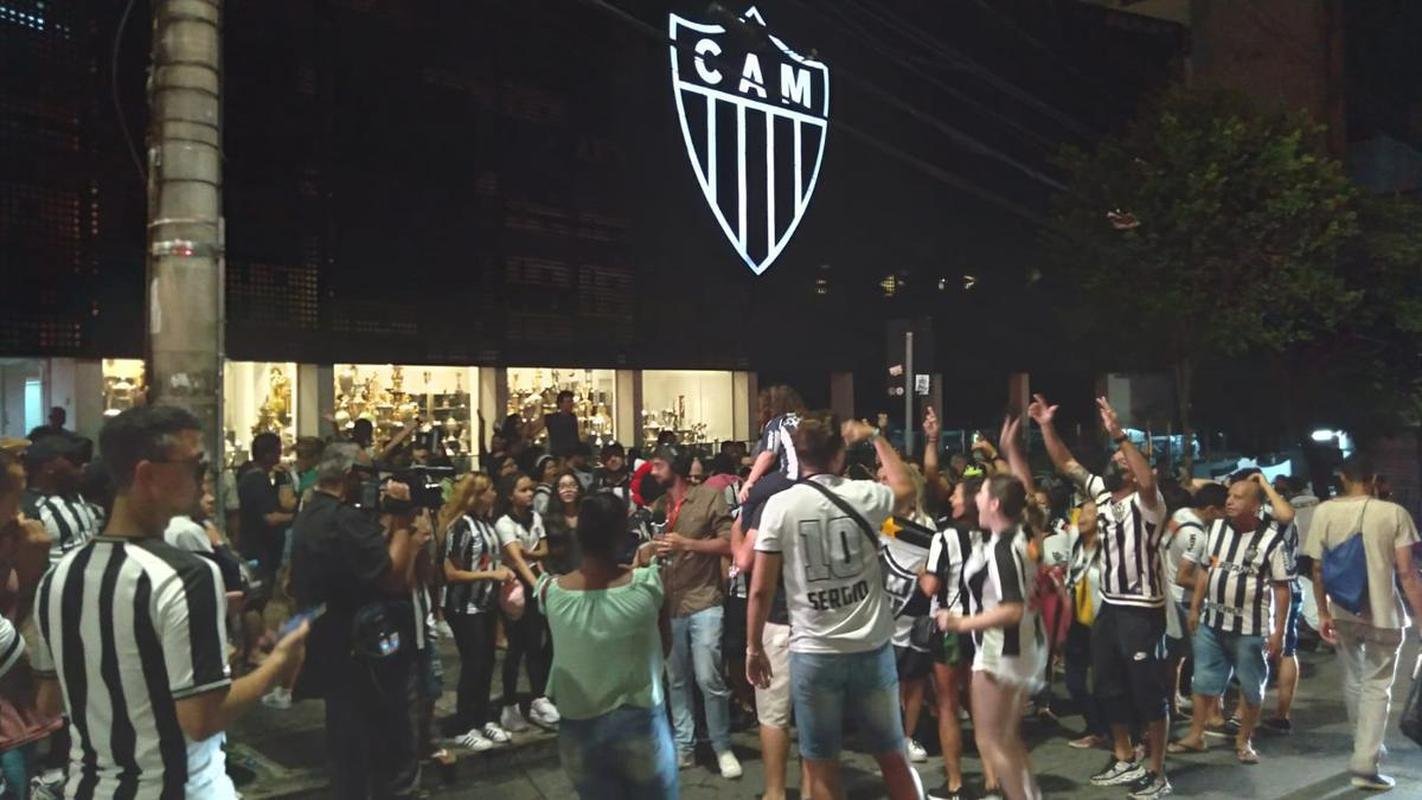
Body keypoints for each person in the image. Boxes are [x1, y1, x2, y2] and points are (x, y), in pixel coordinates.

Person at [31, 406, 308, 799]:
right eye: (196, 466)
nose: (204, 479)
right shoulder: (186, 574)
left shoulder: (58, 576)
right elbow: (202, 718)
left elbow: (49, 702)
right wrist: (280, 663)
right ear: (148, 475)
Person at [746, 412, 921, 800]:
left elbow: (760, 589)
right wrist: (875, 435)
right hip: (870, 648)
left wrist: (754, 646)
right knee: (893, 757)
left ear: (798, 454)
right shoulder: (863, 494)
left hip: (814, 650)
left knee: (822, 766)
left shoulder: (780, 506)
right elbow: (906, 488)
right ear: (839, 455)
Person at [1029, 394, 1170, 799]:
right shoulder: (1104, 496)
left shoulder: (1149, 503)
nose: (1117, 460)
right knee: (1107, 685)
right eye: (1117, 456)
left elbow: (1147, 481)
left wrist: (1122, 436)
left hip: (1141, 608)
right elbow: (1066, 464)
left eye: (1125, 460)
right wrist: (1046, 426)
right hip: (1110, 604)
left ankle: (1157, 770)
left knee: (1147, 692)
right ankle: (1124, 756)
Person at [288, 442, 427, 799]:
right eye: (367, 474)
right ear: (350, 475)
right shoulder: (344, 519)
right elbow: (391, 576)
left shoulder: (309, 515)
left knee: (345, 742)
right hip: (363, 653)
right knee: (377, 742)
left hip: (329, 644)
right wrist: (401, 522)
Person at [538, 492, 678, 799]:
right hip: (640, 720)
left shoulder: (551, 592)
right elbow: (665, 645)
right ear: (620, 534)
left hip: (579, 725)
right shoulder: (647, 585)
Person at [936, 416, 1046, 800]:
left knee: (993, 741)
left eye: (981, 492)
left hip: (1000, 652)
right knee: (1008, 739)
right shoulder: (1021, 532)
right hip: (1022, 648)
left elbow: (1011, 609)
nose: (975, 497)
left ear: (995, 504)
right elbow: (1025, 492)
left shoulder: (1001, 549)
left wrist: (959, 622)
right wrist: (1009, 451)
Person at [1304, 454, 1422, 791]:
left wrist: (1323, 611)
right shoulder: (1394, 513)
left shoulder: (1323, 511)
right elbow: (1407, 573)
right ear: (1374, 478)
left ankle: (1364, 745)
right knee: (1377, 685)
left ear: (1342, 477)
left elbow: (1317, 568)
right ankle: (1366, 762)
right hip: (1384, 613)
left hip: (1342, 610)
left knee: (1353, 680)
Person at [1169, 476, 1293, 764]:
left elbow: (1282, 588)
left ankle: (1244, 740)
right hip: (1212, 622)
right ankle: (1196, 735)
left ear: (1255, 505)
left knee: (1250, 686)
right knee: (1203, 682)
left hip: (1250, 628)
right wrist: (1196, 607)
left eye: (1238, 497)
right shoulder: (1215, 529)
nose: (1230, 501)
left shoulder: (1272, 541)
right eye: (1230, 496)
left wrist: (1279, 631)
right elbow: (1205, 570)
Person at [640, 444, 741, 778]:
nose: (653, 471)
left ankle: (722, 746)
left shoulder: (709, 498)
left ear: (675, 466)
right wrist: (649, 551)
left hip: (704, 599)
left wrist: (688, 544)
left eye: (658, 465)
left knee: (709, 677)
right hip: (668, 604)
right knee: (677, 680)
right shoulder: (659, 506)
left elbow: (729, 543)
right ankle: (685, 745)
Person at [730, 473, 808, 800]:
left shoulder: (770, 505)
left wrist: (737, 526)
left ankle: (775, 793)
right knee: (812, 716)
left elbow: (746, 562)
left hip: (778, 620)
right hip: (816, 622)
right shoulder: (818, 501)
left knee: (774, 717)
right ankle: (811, 791)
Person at [922, 476, 996, 800]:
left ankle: (955, 784)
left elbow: (930, 587)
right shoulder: (991, 535)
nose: (951, 499)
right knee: (980, 705)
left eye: (956, 495)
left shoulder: (945, 536)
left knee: (948, 705)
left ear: (967, 502)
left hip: (950, 628)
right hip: (983, 628)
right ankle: (993, 781)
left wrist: (920, 572)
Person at [0, 451, 60, 800]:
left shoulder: (12, 541)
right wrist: (33, 574)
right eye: (16, 495)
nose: (21, 511)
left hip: (18, 721)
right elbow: (17, 649)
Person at [440, 473, 515, 752]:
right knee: (473, 663)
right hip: (464, 605)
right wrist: (490, 575)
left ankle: (482, 717)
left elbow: (487, 559)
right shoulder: (460, 526)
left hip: (485, 603)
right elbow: (451, 572)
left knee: (486, 662)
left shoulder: (486, 524)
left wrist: (498, 572)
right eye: (490, 490)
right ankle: (464, 725)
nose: (494, 494)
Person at [493, 472, 560, 731]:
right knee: (515, 648)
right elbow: (516, 559)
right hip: (515, 587)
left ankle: (538, 698)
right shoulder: (504, 523)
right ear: (510, 495)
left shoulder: (535, 517)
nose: (530, 494)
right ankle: (509, 705)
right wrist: (538, 585)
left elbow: (542, 550)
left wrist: (533, 560)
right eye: (523, 490)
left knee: (535, 643)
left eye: (531, 489)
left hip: (533, 581)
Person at [1162, 483, 1227, 715]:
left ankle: (1172, 704)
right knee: (1203, 658)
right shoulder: (1197, 536)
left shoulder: (1182, 513)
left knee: (1173, 658)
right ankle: (1205, 710)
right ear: (1211, 510)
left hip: (1168, 595)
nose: (1225, 517)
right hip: (1183, 601)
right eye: (1223, 512)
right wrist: (1216, 588)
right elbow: (1183, 577)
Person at [20, 433, 102, 567]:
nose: (81, 464)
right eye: (71, 459)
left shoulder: (75, 494)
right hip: (57, 577)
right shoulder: (29, 509)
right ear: (48, 467)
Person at [1063, 500, 1107, 750]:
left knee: (1105, 682)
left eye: (1090, 513)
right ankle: (1097, 727)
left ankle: (1113, 731)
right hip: (1077, 622)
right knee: (1074, 682)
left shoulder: (1109, 548)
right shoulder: (1076, 544)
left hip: (1102, 622)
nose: (1082, 517)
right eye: (1081, 512)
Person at [739, 385, 806, 504]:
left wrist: (750, 481)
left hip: (790, 475)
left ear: (769, 408)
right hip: (812, 475)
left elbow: (769, 454)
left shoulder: (777, 423)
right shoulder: (806, 420)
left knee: (750, 498)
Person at [543, 471, 584, 576]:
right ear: (556, 491)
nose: (568, 489)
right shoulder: (549, 520)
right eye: (563, 486)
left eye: (572, 485)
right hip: (561, 575)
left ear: (579, 490)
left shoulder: (588, 516)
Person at [526, 390, 581, 458]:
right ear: (560, 404)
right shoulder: (551, 418)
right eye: (568, 402)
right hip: (557, 454)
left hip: (572, 454)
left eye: (571, 401)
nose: (571, 404)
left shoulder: (573, 417)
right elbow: (533, 431)